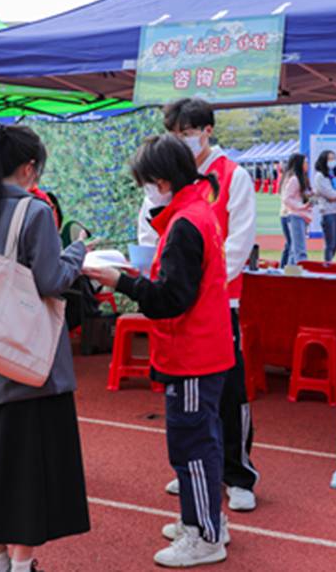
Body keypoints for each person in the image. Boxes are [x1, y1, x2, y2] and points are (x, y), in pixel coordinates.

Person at [0, 123, 90, 572]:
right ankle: (23, 563)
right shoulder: (35, 212)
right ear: (28, 168)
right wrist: (78, 252)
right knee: (33, 471)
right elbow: (51, 280)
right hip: (29, 361)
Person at [88, 134, 234, 568]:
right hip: (202, 348)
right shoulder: (196, 211)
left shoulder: (186, 223)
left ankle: (204, 533)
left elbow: (172, 299)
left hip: (193, 353)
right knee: (200, 441)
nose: (146, 191)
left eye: (146, 182)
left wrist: (122, 282)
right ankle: (207, 521)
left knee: (191, 446)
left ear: (162, 180)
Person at [137, 98, 259, 513]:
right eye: (174, 133)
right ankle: (196, 469)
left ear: (207, 130)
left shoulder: (232, 175)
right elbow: (149, 230)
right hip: (179, 299)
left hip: (220, 301)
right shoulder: (165, 176)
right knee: (188, 399)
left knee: (228, 393)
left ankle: (238, 473)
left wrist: (205, 284)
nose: (180, 139)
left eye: (187, 132)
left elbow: (240, 240)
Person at [313, 150, 336, 263]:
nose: (333, 161)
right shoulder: (320, 176)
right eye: (330, 159)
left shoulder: (335, 176)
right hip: (328, 212)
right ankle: (327, 264)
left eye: (334, 158)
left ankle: (329, 262)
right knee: (330, 243)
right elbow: (330, 194)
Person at [279, 153, 312, 267]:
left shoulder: (301, 179)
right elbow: (286, 198)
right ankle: (294, 271)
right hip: (294, 215)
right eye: (305, 162)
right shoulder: (294, 179)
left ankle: (287, 271)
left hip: (298, 215)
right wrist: (301, 206)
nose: (307, 164)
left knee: (293, 248)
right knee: (298, 249)